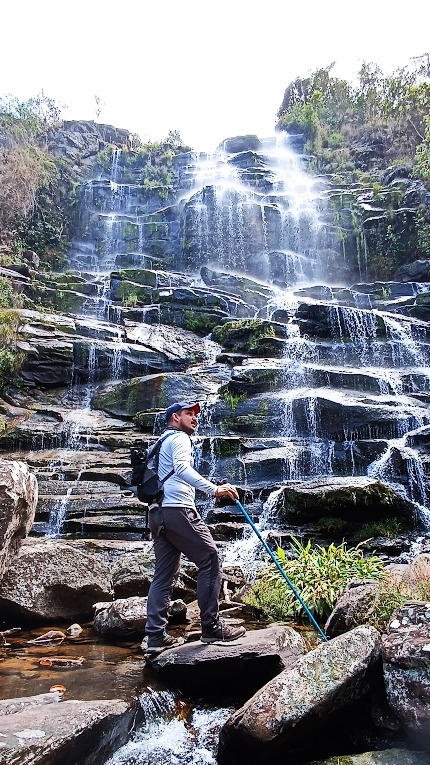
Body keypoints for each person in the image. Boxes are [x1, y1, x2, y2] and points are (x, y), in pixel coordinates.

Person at [144, 401, 246, 654]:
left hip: (157, 513)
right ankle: (211, 628)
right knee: (210, 560)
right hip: (178, 510)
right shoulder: (179, 438)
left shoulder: (159, 444)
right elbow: (181, 468)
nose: (194, 418)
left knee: (164, 574)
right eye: (189, 414)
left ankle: (155, 636)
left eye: (195, 414)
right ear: (175, 417)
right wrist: (214, 489)